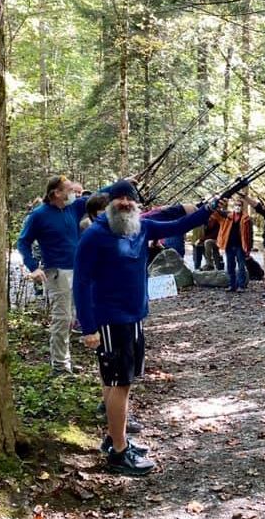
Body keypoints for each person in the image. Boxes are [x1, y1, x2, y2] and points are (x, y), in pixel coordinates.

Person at [73, 180, 214, 475]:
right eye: (119, 198)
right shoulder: (95, 235)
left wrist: (208, 210)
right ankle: (119, 453)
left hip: (134, 316)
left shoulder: (142, 228)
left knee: (118, 381)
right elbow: (81, 282)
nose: (125, 202)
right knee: (119, 383)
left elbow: (178, 224)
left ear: (137, 204)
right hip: (110, 319)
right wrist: (88, 327)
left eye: (130, 198)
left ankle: (115, 439)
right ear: (109, 202)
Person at [17, 175, 98, 375]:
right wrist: (33, 267)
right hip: (57, 272)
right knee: (63, 318)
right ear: (56, 193)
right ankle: (60, 366)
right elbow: (23, 242)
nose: (73, 193)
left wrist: (125, 183)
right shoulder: (39, 215)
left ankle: (65, 360)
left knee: (76, 317)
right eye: (69, 190)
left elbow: (100, 195)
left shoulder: (74, 207)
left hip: (79, 270)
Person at [209, 196, 253, 292]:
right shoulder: (227, 217)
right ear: (233, 206)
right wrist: (214, 201)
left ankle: (241, 286)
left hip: (241, 246)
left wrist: (248, 249)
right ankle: (231, 285)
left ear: (242, 207)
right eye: (236, 205)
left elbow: (250, 234)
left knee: (241, 266)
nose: (238, 207)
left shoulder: (246, 219)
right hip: (229, 245)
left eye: (240, 205)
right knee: (230, 265)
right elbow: (215, 213)